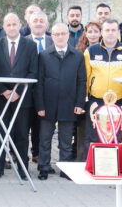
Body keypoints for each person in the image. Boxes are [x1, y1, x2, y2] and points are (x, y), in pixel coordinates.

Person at [0, 12, 37, 179]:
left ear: (20, 25)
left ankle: (23, 168)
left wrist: (18, 92)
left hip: (22, 99)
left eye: (14, 24)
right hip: (0, 99)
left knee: (22, 134)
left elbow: (33, 71)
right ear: (4, 26)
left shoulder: (30, 45)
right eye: (8, 25)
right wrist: (3, 90)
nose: (11, 27)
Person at [35, 24, 86, 180]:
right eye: (56, 34)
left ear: (68, 35)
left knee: (66, 139)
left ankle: (65, 168)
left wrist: (79, 104)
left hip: (69, 103)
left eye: (63, 33)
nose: (60, 36)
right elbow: (40, 82)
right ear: (52, 36)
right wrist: (40, 105)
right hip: (48, 104)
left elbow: (81, 81)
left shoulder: (77, 55)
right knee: (45, 138)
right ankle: (43, 167)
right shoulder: (44, 55)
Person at [85, 18, 122, 143]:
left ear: (118, 32)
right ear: (101, 32)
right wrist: (86, 101)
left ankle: (115, 163)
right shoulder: (91, 51)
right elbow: (85, 78)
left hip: (118, 103)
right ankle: (92, 163)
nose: (110, 33)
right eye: (107, 30)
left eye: (113, 30)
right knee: (93, 138)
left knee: (116, 139)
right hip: (96, 102)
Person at [24, 10, 52, 161]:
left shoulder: (53, 42)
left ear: (47, 25)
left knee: (42, 125)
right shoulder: (23, 42)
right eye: (35, 21)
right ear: (29, 24)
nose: (39, 23)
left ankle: (37, 153)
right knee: (24, 123)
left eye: (42, 21)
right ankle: (18, 153)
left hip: (47, 92)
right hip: (27, 91)